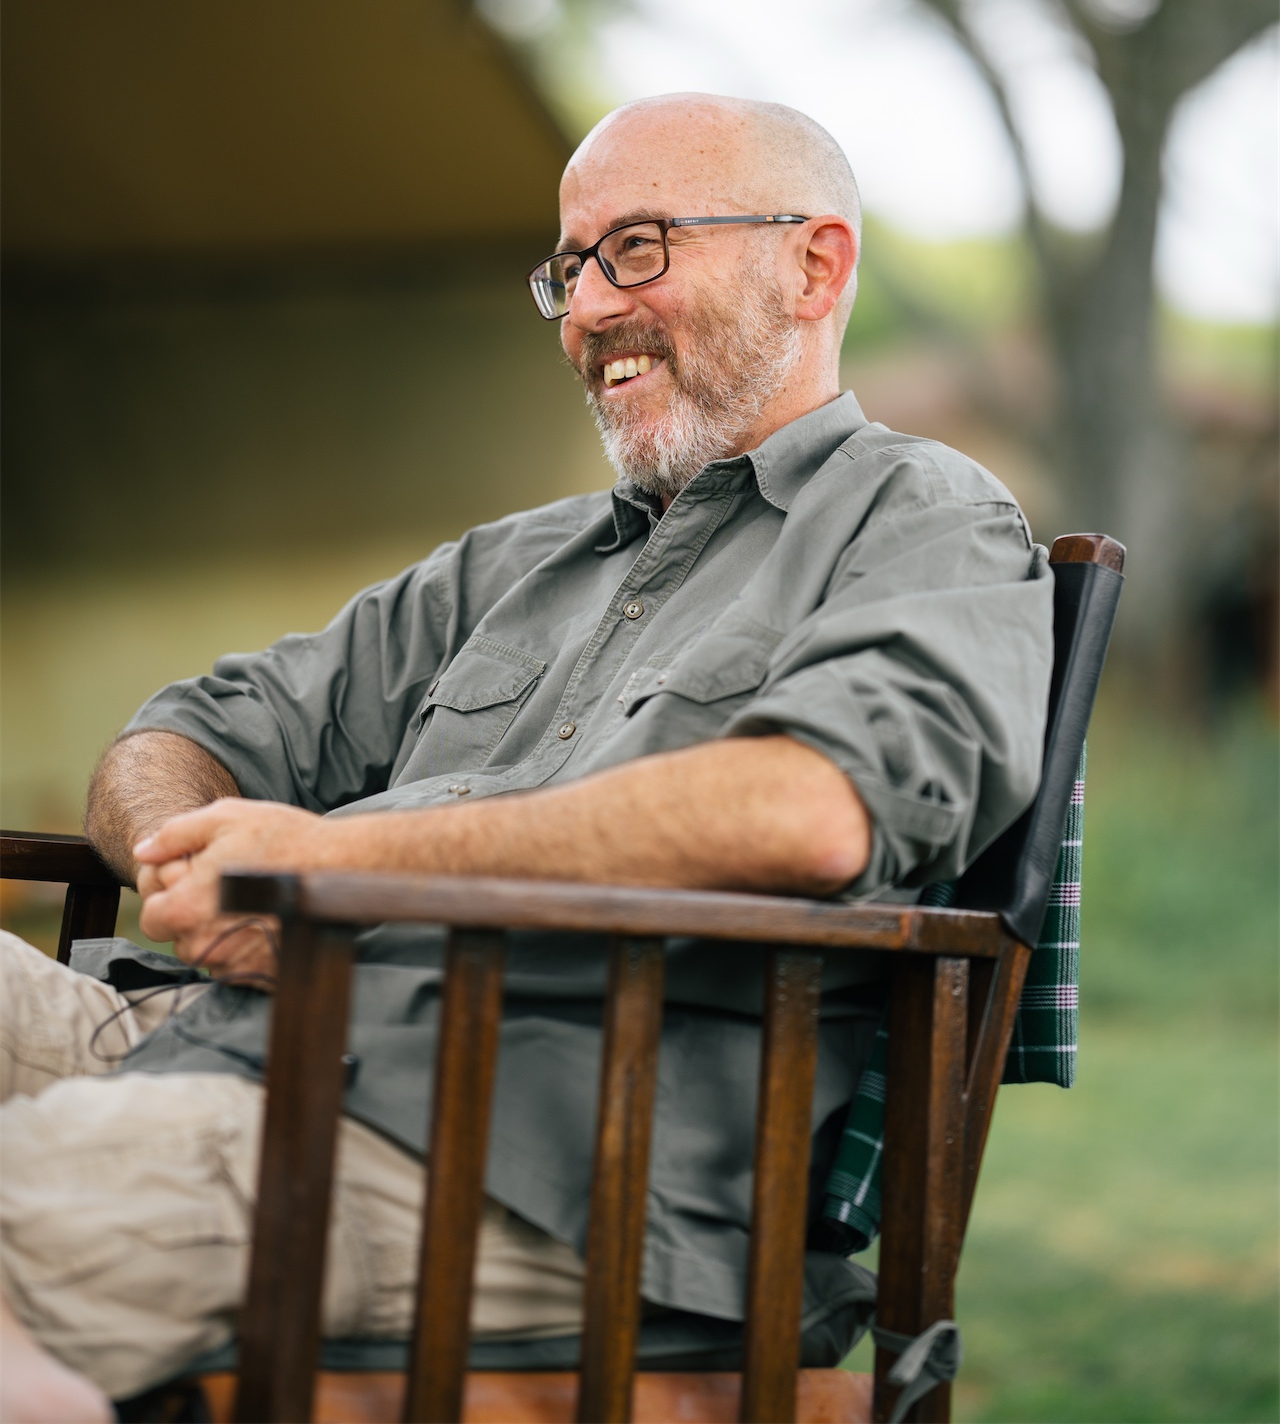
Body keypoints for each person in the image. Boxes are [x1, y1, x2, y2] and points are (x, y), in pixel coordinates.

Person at [0, 94, 1054, 1422]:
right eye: (570, 267)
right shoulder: (526, 559)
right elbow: (183, 727)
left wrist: (337, 861)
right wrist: (188, 855)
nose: (586, 310)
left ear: (816, 263)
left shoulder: (924, 522)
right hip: (225, 1033)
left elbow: (813, 806)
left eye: (640, 247)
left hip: (519, 1158)